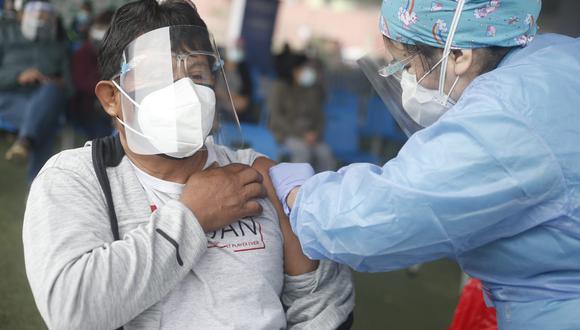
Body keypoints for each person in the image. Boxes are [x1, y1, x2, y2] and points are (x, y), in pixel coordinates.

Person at [22, 0, 354, 329]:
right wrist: (191, 218)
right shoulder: (76, 179)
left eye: (197, 73)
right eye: (158, 75)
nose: (185, 91)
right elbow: (72, 311)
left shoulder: (259, 176)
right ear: (112, 98)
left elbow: (322, 300)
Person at [269, 0, 580, 329]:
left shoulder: (506, 115)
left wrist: (300, 197)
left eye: (406, 64)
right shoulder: (557, 60)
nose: (407, 80)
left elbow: (380, 217)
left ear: (459, 55)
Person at [0, 0, 69, 182]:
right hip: (10, 98)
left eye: (44, 13)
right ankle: (37, 188)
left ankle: (24, 142)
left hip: (47, 96)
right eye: (34, 12)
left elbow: (69, 85)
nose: (39, 17)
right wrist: (17, 76)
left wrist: (59, 83)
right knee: (44, 122)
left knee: (49, 97)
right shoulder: (4, 34)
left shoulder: (58, 42)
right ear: (21, 14)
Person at [268, 51, 335, 172]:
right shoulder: (279, 88)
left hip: (310, 136)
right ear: (294, 70)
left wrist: (315, 133)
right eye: (305, 69)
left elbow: (319, 117)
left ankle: (322, 187)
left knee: (325, 153)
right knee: (302, 152)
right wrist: (301, 134)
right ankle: (296, 187)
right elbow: (276, 118)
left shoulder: (312, 91)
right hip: (287, 134)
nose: (309, 72)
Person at [69, 9, 114, 140]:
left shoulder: (119, 53)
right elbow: (80, 83)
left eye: (105, 28)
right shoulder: (82, 53)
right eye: (99, 27)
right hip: (87, 105)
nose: (100, 32)